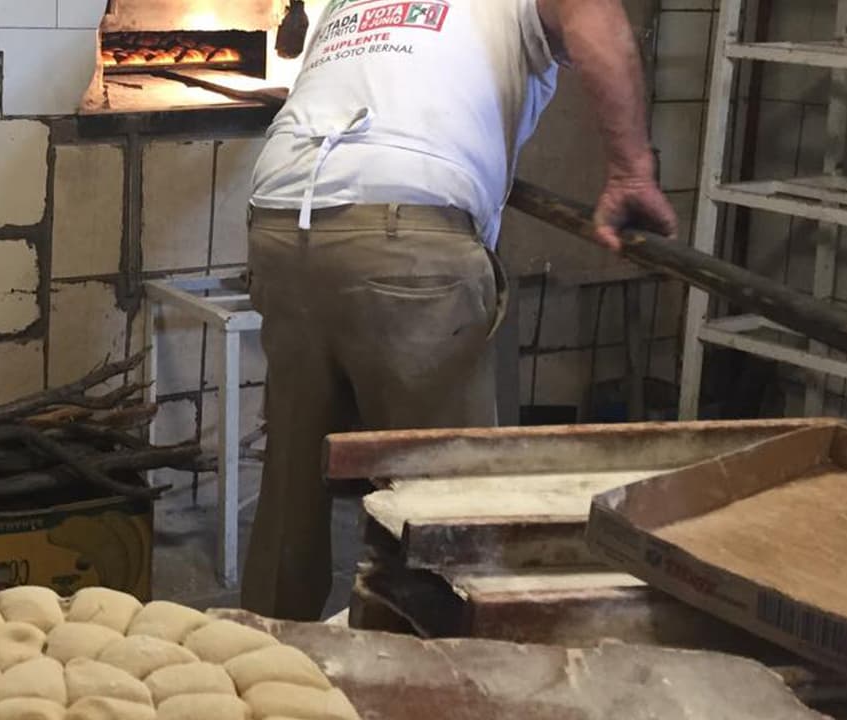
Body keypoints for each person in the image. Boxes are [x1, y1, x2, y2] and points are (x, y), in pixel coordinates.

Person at [242, 0, 679, 621]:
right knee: (447, 496)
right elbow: (592, 13)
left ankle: (265, 652)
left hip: (280, 219)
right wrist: (632, 170)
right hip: (408, 230)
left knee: (294, 473)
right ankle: (434, 671)